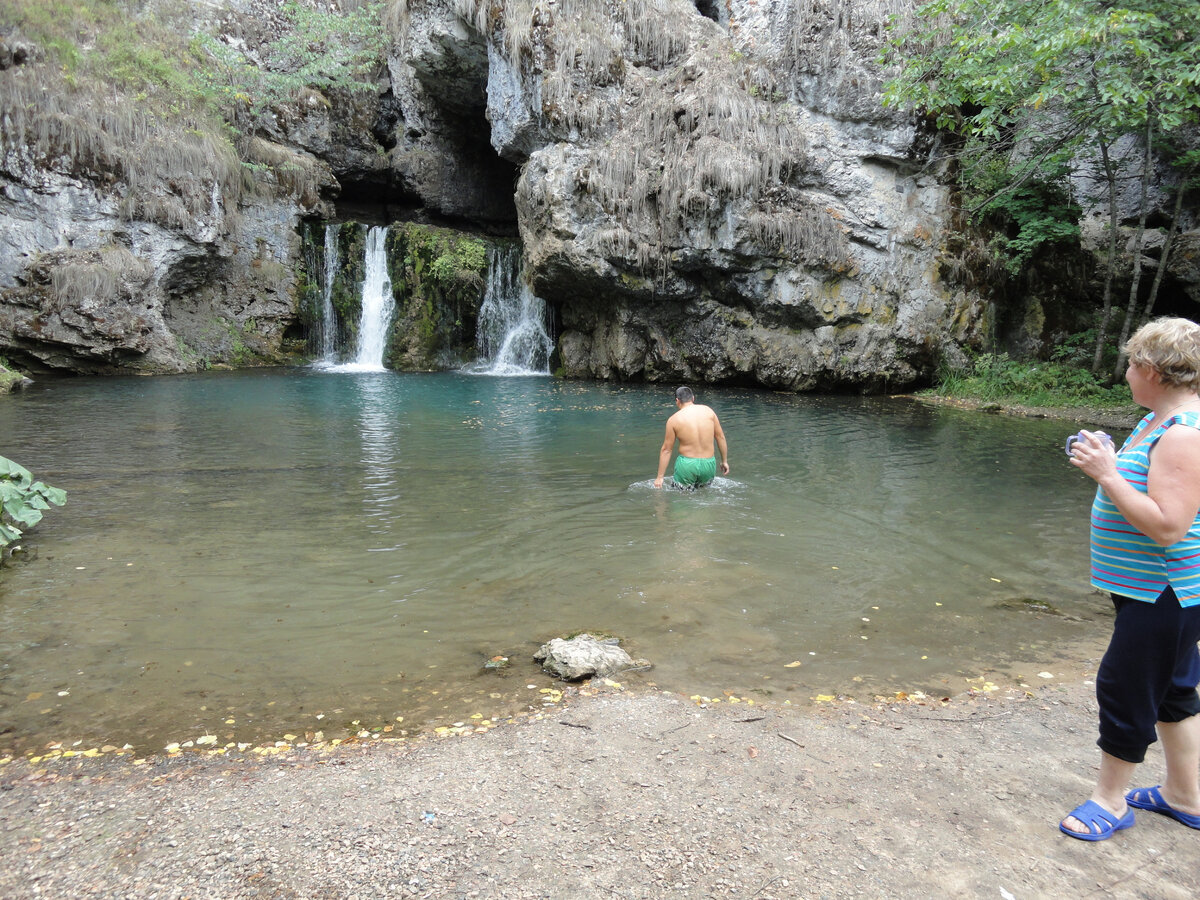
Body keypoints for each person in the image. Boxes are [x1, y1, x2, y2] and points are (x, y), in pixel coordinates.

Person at [1060, 317, 1200, 841]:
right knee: (1174, 691)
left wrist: (1108, 474)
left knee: (1125, 686)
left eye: (1131, 364)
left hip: (1165, 590)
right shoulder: (1159, 421)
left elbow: (1168, 527)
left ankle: (1110, 801)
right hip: (1158, 590)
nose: (1125, 374)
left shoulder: (1185, 435)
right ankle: (1186, 796)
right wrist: (1112, 460)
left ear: (1154, 371)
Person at [654, 386, 729, 489]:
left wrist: (660, 477)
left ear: (677, 400)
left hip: (687, 465)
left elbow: (666, 450)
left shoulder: (674, 420)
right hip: (708, 463)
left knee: (682, 499)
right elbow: (720, 437)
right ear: (693, 398)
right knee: (704, 497)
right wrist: (724, 461)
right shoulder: (709, 412)